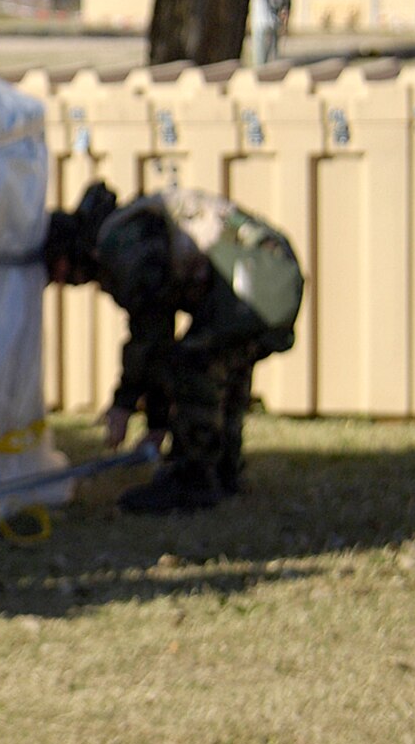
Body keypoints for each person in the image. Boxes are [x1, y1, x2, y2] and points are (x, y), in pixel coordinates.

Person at [44, 181, 303, 514]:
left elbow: (152, 333)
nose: (63, 281)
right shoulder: (130, 228)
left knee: (194, 364)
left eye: (59, 270)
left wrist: (125, 404)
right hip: (267, 275)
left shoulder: (120, 243)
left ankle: (192, 479)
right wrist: (156, 422)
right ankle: (221, 471)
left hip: (258, 283)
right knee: (222, 364)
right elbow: (158, 333)